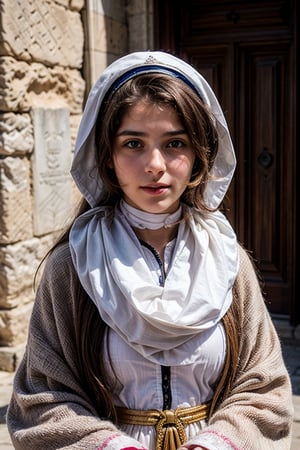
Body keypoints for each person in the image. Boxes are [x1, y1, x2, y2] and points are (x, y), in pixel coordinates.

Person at [7, 51, 293, 450]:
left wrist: (214, 443)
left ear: (198, 155)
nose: (154, 164)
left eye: (174, 142)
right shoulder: (73, 267)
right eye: (133, 143)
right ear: (107, 156)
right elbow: (41, 398)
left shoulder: (228, 263)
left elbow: (266, 390)